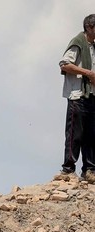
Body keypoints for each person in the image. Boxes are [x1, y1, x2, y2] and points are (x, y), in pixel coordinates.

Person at [55, 14, 95, 184]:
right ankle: (68, 169)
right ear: (89, 27)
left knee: (91, 135)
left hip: (92, 95)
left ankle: (90, 170)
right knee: (74, 133)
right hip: (77, 95)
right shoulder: (78, 42)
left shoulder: (93, 46)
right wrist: (88, 73)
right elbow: (64, 64)